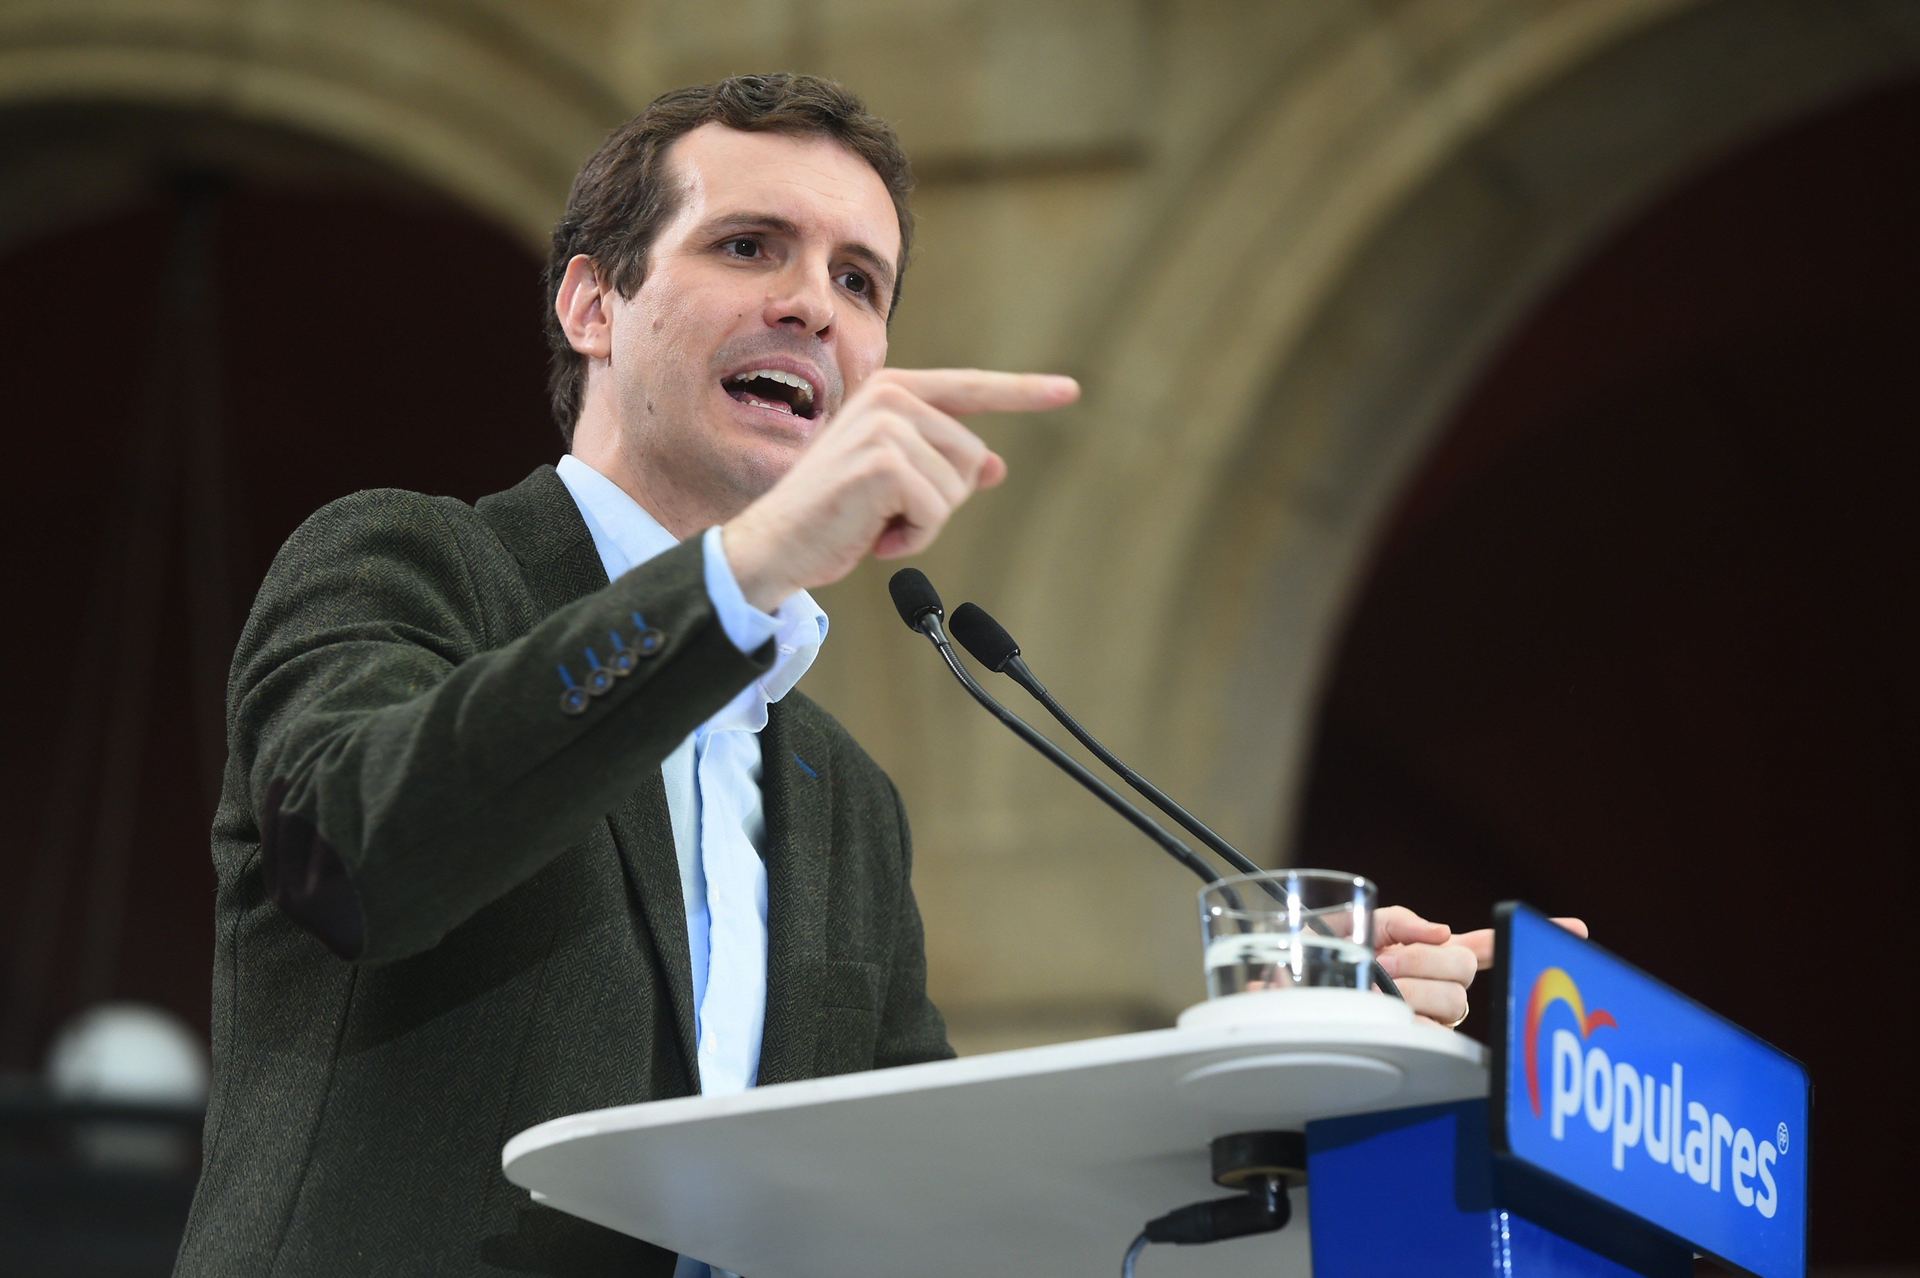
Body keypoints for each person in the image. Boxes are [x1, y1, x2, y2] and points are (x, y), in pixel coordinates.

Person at [173, 73, 1521, 1277]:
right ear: (592, 300)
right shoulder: (408, 561)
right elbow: (361, 849)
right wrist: (739, 573)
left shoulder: (843, 801)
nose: (811, 302)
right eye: (750, 245)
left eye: (860, 280)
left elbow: (934, 1191)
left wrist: (1256, 1079)